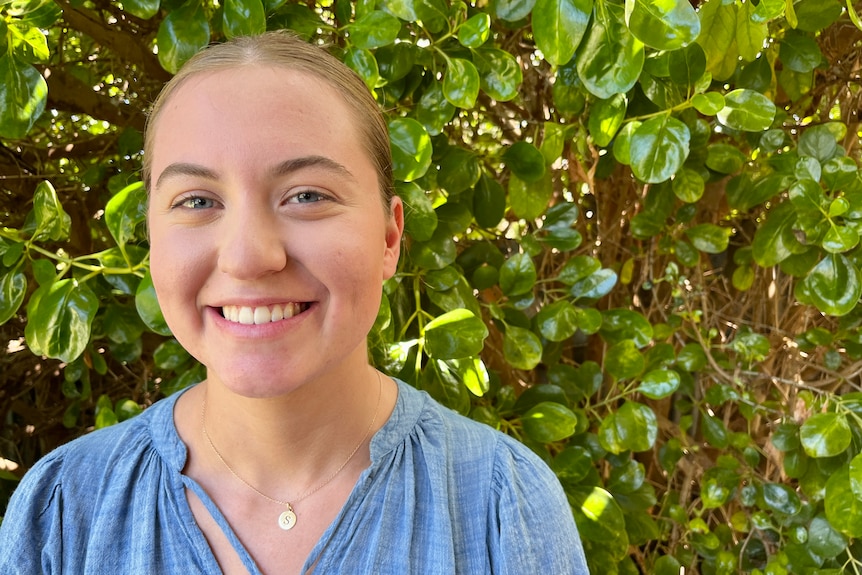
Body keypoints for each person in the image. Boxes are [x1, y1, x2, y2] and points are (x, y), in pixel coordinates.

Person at [0, 31, 589, 574]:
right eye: (198, 201)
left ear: (389, 237)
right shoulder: (62, 514)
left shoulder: (501, 507)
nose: (249, 257)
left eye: (307, 195)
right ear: (152, 239)